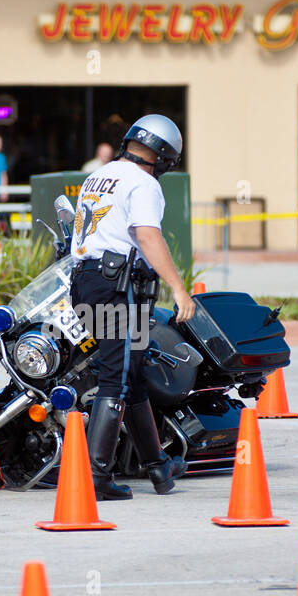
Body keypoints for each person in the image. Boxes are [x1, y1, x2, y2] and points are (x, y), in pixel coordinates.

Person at [68, 114, 196, 501]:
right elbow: (146, 234)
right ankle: (95, 479)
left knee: (132, 372)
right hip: (116, 288)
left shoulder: (101, 174)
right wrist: (179, 289)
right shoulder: (144, 183)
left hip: (87, 283)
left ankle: (157, 465)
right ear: (165, 156)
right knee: (117, 378)